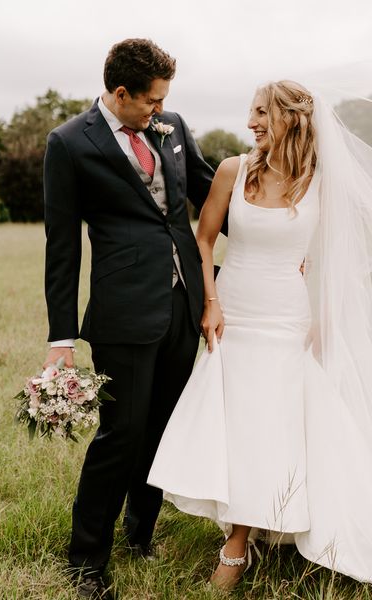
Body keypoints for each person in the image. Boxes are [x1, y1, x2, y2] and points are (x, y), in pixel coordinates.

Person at [148, 79, 372, 590]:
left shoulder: (322, 180)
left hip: (286, 318)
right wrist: (211, 302)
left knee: (270, 426)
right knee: (236, 423)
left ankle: (237, 546)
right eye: (250, 112)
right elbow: (203, 239)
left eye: (260, 113)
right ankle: (246, 528)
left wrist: (322, 311)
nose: (250, 122)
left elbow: (345, 253)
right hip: (234, 310)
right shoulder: (233, 170)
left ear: (291, 119)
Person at [43, 38, 214, 599]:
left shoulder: (174, 127)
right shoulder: (69, 143)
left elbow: (213, 195)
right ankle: (87, 559)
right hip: (122, 315)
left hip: (184, 306)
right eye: (151, 101)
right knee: (122, 434)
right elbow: (62, 247)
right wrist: (61, 337)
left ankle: (140, 535)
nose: (159, 110)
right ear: (121, 93)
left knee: (163, 431)